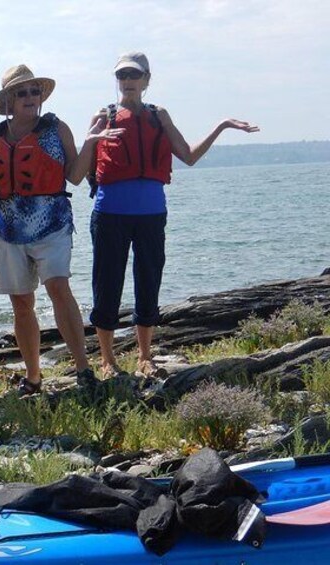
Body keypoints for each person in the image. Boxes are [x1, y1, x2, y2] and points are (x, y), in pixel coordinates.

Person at [71, 52, 259, 379]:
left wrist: (221, 126)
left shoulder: (160, 116)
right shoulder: (103, 116)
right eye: (122, 76)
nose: (127, 81)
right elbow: (77, 172)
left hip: (151, 215)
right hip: (110, 214)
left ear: (146, 80)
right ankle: (107, 359)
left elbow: (188, 156)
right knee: (107, 283)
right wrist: (91, 139)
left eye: (134, 75)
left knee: (149, 280)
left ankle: (145, 356)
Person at [0, 65, 99, 395]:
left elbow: (74, 175)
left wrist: (92, 142)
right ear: (9, 101)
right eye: (22, 93)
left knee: (59, 288)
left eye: (34, 91)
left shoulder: (56, 128)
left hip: (52, 225)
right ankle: (33, 376)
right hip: (5, 230)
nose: (30, 98)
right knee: (21, 304)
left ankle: (83, 369)